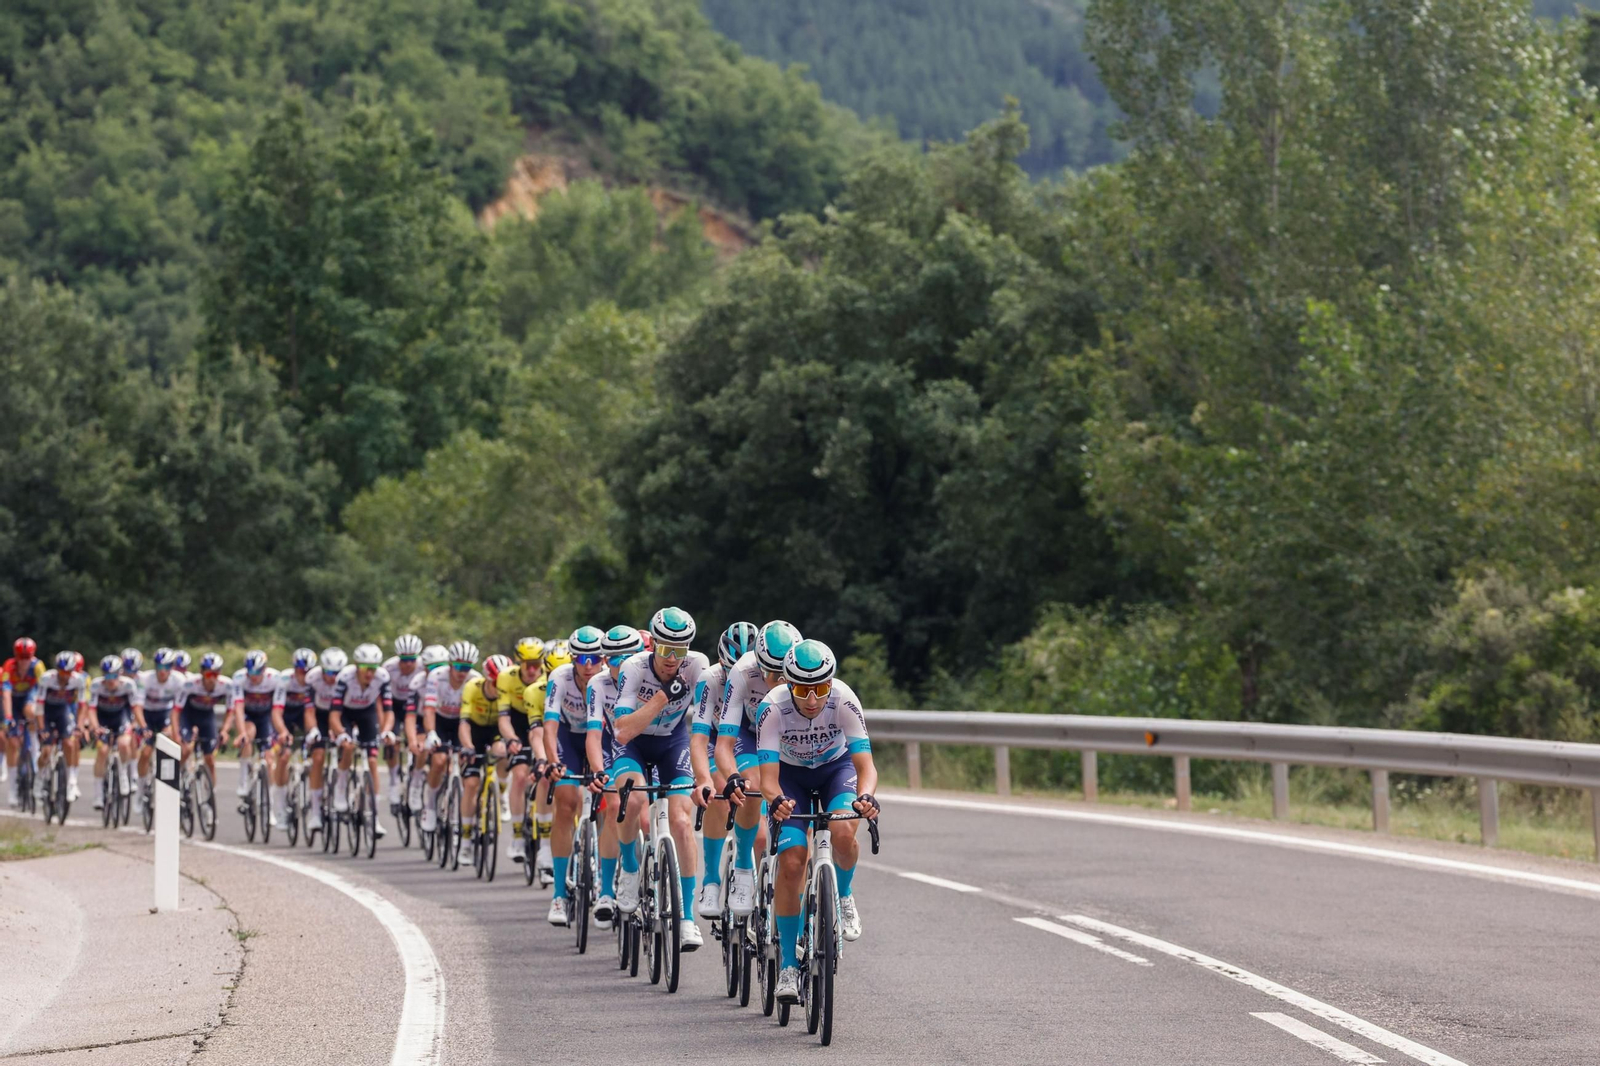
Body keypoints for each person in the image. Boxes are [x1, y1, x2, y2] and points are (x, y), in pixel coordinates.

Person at [755, 639, 879, 1003]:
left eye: (821, 688)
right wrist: (775, 801)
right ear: (787, 684)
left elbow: (865, 766)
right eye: (803, 689)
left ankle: (843, 894)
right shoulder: (771, 708)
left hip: (834, 770)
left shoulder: (844, 699)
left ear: (832, 683)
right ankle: (788, 966)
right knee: (792, 861)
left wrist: (867, 796)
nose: (812, 699)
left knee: (843, 831)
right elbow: (767, 779)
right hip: (790, 777)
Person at [609, 607, 710, 950]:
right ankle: (630, 868)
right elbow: (622, 731)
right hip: (634, 745)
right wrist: (664, 697)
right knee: (634, 799)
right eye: (665, 650)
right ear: (652, 646)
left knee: (682, 822)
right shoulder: (633, 668)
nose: (672, 659)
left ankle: (686, 919)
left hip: (673, 742)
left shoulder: (697, 666)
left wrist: (703, 775)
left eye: (679, 651)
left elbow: (704, 725)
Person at [719, 619, 801, 917]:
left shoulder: (806, 671)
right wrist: (732, 777)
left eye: (784, 675)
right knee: (752, 786)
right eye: (770, 673)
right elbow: (723, 743)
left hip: (787, 739)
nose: (778, 682)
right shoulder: (742, 671)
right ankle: (742, 866)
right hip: (749, 736)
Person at [689, 620, 758, 918]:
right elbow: (700, 737)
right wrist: (702, 778)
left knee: (762, 822)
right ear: (721, 663)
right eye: (732, 671)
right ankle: (711, 881)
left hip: (751, 738)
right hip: (716, 737)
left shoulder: (764, 677)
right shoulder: (710, 680)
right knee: (718, 792)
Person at [540, 625, 605, 924]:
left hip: (600, 738)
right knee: (565, 802)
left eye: (595, 657)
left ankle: (607, 883)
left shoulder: (608, 680)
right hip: (568, 737)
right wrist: (553, 762)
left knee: (608, 802)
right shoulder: (560, 678)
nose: (588, 665)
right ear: (572, 659)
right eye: (581, 659)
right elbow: (550, 727)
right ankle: (558, 896)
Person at [585, 625, 642, 924]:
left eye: (627, 657)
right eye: (613, 659)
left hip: (648, 749)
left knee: (646, 815)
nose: (619, 665)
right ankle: (606, 889)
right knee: (614, 807)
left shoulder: (647, 676)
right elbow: (594, 734)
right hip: (613, 749)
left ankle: (654, 881)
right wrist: (598, 771)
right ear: (605, 660)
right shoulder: (598, 683)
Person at [499, 637, 556, 868]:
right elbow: (503, 718)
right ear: (518, 663)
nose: (533, 669)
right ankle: (516, 837)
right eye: (527, 664)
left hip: (543, 722)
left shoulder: (548, 677)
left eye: (537, 663)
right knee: (521, 775)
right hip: (518, 724)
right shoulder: (506, 677)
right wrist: (511, 738)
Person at [330, 643, 392, 837]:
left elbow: (388, 711)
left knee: (373, 760)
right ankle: (340, 788)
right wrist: (341, 733)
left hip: (367, 713)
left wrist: (387, 731)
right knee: (348, 747)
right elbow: (333, 715)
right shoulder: (344, 678)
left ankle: (373, 817)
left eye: (373, 668)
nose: (370, 673)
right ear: (357, 666)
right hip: (345, 714)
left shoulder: (382, 677)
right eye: (366, 668)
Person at [420, 641, 479, 833]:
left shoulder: (475, 679)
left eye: (467, 667)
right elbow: (428, 709)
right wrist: (431, 733)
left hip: (463, 723)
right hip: (440, 721)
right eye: (459, 666)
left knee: (468, 766)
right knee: (439, 761)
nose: (462, 672)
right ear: (451, 664)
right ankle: (429, 806)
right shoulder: (437, 676)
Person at [28, 652, 87, 802]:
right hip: (45, 713)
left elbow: (82, 705)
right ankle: (39, 779)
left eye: (68, 672)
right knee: (46, 751)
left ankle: (71, 781)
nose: (64, 676)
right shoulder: (47, 678)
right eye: (62, 672)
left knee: (69, 742)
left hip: (62, 711)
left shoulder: (79, 681)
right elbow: (39, 705)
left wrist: (80, 726)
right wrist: (41, 728)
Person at [268, 648, 317, 828]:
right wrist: (282, 731)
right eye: (300, 671)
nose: (303, 675)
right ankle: (280, 804)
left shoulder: (316, 681)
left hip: (306, 715)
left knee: (317, 753)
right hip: (286, 716)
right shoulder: (284, 680)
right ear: (294, 669)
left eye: (307, 672)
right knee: (284, 756)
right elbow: (276, 711)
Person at [135, 648, 186, 814]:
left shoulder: (178, 680)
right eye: (159, 667)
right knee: (145, 753)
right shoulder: (145, 679)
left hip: (166, 714)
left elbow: (179, 709)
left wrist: (173, 729)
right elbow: (137, 706)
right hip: (148, 715)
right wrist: (143, 726)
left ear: (172, 667)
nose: (162, 671)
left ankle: (169, 787)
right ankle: (140, 790)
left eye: (167, 667)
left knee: (170, 742)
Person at [87, 655, 140, 810]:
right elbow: (91, 710)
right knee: (102, 751)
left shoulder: (128, 685)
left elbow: (135, 708)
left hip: (121, 717)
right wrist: (95, 727)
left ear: (120, 674)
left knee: (124, 744)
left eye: (114, 676)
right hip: (102, 718)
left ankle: (124, 774)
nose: (111, 680)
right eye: (107, 676)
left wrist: (137, 724)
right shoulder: (96, 686)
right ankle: (98, 795)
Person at [226, 651, 278, 806]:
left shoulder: (275, 679)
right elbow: (239, 708)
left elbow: (278, 708)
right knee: (247, 736)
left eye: (257, 671)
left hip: (266, 716)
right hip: (248, 716)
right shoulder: (239, 678)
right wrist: (241, 733)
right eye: (250, 671)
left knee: (269, 760)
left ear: (264, 669)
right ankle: (243, 779)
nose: (253, 675)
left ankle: (269, 801)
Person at [303, 648, 346, 833]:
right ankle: (315, 810)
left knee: (347, 747)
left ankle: (342, 790)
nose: (333, 678)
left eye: (337, 673)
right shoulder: (312, 679)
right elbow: (309, 710)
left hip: (341, 715)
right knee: (319, 757)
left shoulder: (348, 678)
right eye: (328, 672)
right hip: (319, 715)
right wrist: (313, 730)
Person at [382, 635, 426, 807]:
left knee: (420, 742)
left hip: (416, 706)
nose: (408, 663)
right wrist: (384, 727)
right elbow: (380, 699)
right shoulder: (388, 668)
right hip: (394, 704)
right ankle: (393, 780)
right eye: (405, 659)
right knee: (391, 742)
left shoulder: (424, 667)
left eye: (412, 659)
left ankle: (416, 776)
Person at [177, 653, 233, 785]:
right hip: (187, 716)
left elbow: (231, 711)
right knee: (185, 750)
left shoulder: (226, 685)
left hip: (207, 716)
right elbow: (176, 711)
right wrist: (176, 734)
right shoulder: (190, 684)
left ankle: (211, 795)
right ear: (202, 673)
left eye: (215, 675)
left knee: (210, 759)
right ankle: (176, 779)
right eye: (208, 675)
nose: (211, 679)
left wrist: (225, 730)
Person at [2, 637, 44, 806]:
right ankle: (12, 788)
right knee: (12, 743)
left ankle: (34, 748)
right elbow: (5, 693)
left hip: (29, 698)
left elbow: (43, 691)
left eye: (28, 657)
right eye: (22, 657)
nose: (25, 661)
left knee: (31, 711)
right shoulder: (9, 666)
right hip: (12, 701)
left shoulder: (38, 666)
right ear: (16, 656)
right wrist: (8, 718)